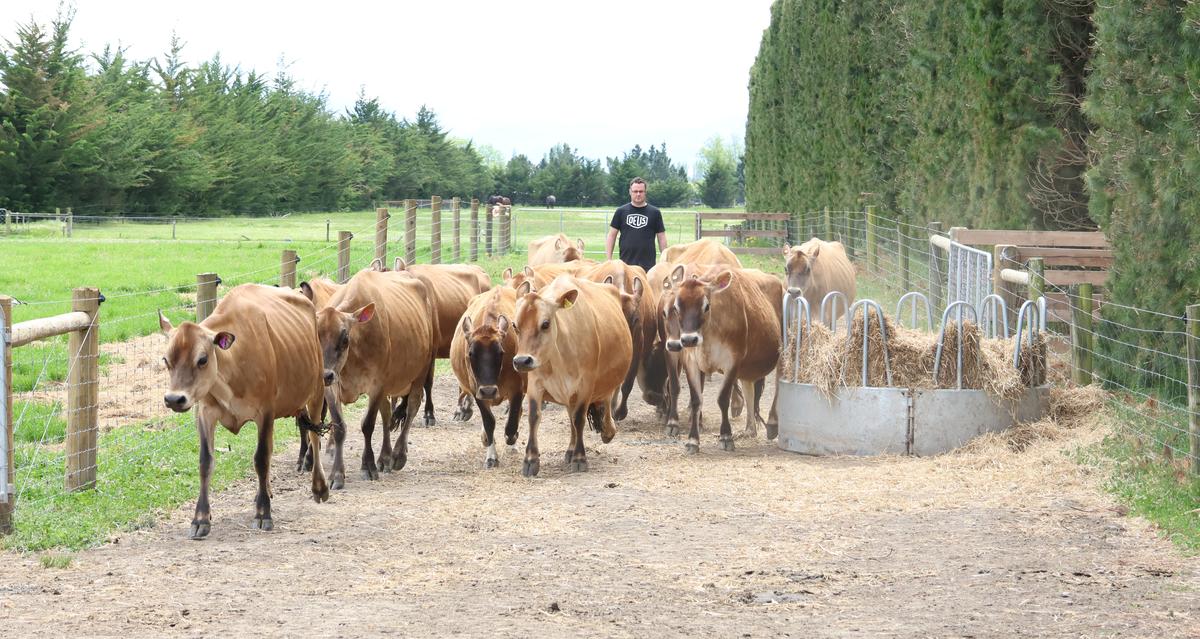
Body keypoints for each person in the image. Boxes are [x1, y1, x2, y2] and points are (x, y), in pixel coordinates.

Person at [606, 177, 667, 272]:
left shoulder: (655, 212)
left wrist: (664, 261)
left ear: (645, 192)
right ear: (630, 192)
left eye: (641, 191)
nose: (638, 194)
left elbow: (661, 237)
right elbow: (611, 235)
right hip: (625, 264)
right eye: (635, 191)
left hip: (648, 265)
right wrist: (609, 259)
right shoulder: (621, 211)